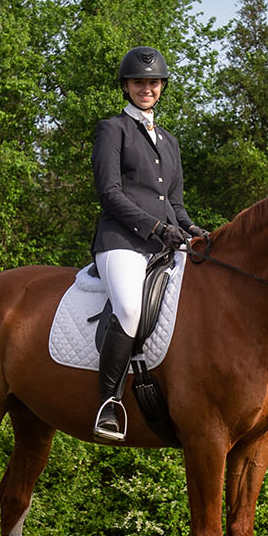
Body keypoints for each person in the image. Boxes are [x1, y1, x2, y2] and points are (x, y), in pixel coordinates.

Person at [88, 45, 207, 441]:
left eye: (153, 82)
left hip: (166, 243)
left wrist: (195, 232)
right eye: (139, 82)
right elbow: (110, 193)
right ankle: (109, 402)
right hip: (121, 241)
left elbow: (176, 203)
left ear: (162, 87)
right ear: (126, 86)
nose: (146, 88)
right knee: (128, 306)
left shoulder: (170, 142)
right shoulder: (113, 130)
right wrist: (156, 228)